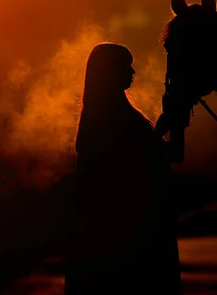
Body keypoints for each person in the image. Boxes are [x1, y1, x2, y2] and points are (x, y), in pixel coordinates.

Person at [65, 43, 181, 295]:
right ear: (110, 71)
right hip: (129, 237)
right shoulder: (117, 118)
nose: (132, 72)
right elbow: (166, 156)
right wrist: (175, 124)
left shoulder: (98, 117)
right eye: (125, 66)